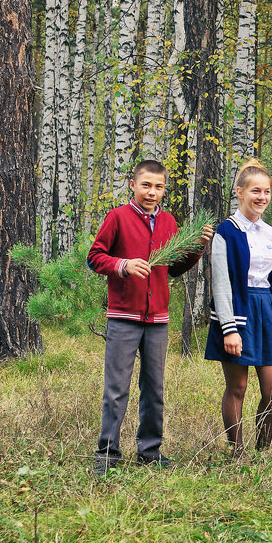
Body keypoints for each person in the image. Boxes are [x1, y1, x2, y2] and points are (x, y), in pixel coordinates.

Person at [87, 159, 213, 475]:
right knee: (117, 389)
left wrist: (196, 248)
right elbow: (95, 257)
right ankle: (107, 455)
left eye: (158, 187)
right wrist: (123, 265)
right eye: (146, 185)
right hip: (123, 317)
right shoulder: (118, 217)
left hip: (157, 319)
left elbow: (171, 269)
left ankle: (150, 451)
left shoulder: (169, 222)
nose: (152, 192)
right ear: (133, 185)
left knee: (155, 388)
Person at [205, 160, 272, 455]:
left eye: (266, 192)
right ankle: (237, 452)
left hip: (265, 312)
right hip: (238, 313)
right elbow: (221, 283)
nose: (261, 197)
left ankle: (262, 451)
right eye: (255, 191)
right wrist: (229, 328)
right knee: (237, 388)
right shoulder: (227, 231)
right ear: (240, 192)